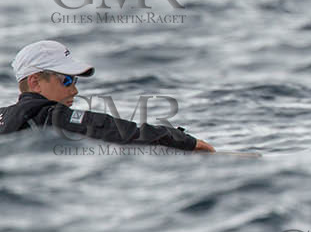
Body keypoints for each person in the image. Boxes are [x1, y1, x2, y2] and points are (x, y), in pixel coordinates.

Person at [1, 40, 214, 152]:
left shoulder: (5, 116)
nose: (74, 90)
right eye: (66, 80)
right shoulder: (46, 116)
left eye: (75, 81)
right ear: (35, 82)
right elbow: (109, 128)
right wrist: (183, 140)